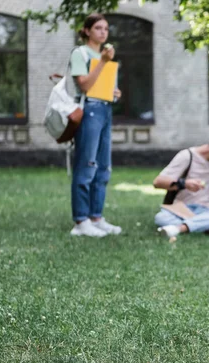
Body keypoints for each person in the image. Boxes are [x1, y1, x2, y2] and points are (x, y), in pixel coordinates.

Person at [69, 13, 122, 237]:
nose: (103, 32)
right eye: (98, 28)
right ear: (87, 31)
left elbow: (102, 87)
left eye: (106, 29)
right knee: (86, 165)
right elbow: (85, 86)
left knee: (103, 167)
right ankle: (81, 221)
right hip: (89, 110)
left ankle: (96, 217)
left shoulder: (103, 57)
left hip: (105, 110)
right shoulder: (79, 53)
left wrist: (115, 93)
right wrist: (102, 62)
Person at [153, 131, 209, 239]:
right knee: (161, 217)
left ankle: (179, 228)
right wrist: (184, 183)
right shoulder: (187, 156)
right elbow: (158, 182)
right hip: (182, 209)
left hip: (207, 208)